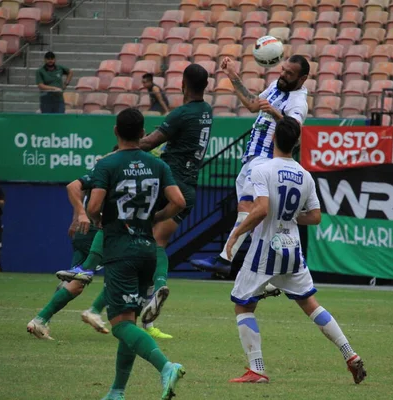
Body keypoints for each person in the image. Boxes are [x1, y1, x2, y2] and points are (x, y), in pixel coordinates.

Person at [226, 117, 366, 384]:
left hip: (265, 250)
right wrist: (288, 217)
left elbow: (262, 209)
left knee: (242, 306)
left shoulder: (262, 169)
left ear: (273, 139)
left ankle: (256, 369)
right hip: (292, 249)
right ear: (298, 142)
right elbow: (315, 216)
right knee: (310, 304)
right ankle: (350, 354)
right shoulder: (305, 175)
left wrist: (236, 233)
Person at [86, 107, 186, 400]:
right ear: (143, 134)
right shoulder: (156, 164)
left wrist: (98, 220)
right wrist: (156, 217)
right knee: (129, 321)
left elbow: (93, 208)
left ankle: (166, 366)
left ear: (115, 132)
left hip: (120, 250)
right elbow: (178, 201)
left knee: (119, 324)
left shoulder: (107, 164)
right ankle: (117, 391)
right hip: (147, 251)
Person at [191, 55, 310, 276]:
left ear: (302, 78)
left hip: (267, 158)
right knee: (253, 217)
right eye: (283, 70)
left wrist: (275, 112)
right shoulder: (277, 86)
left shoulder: (298, 102)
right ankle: (270, 269)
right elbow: (253, 104)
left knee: (248, 209)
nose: (283, 75)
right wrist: (232, 76)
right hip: (253, 158)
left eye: (289, 73)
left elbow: (295, 132)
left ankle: (225, 259)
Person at [132, 63, 212, 339]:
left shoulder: (181, 114)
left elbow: (148, 142)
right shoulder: (207, 112)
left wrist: (123, 143)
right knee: (157, 244)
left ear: (182, 84)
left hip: (168, 184)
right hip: (188, 190)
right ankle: (156, 292)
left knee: (131, 234)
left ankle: (93, 286)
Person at [26, 147, 120, 340]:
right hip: (97, 233)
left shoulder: (104, 168)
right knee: (113, 275)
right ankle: (91, 311)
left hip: (84, 232)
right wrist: (82, 215)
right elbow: (77, 189)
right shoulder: (114, 168)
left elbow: (81, 192)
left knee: (73, 282)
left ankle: (42, 320)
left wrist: (77, 216)